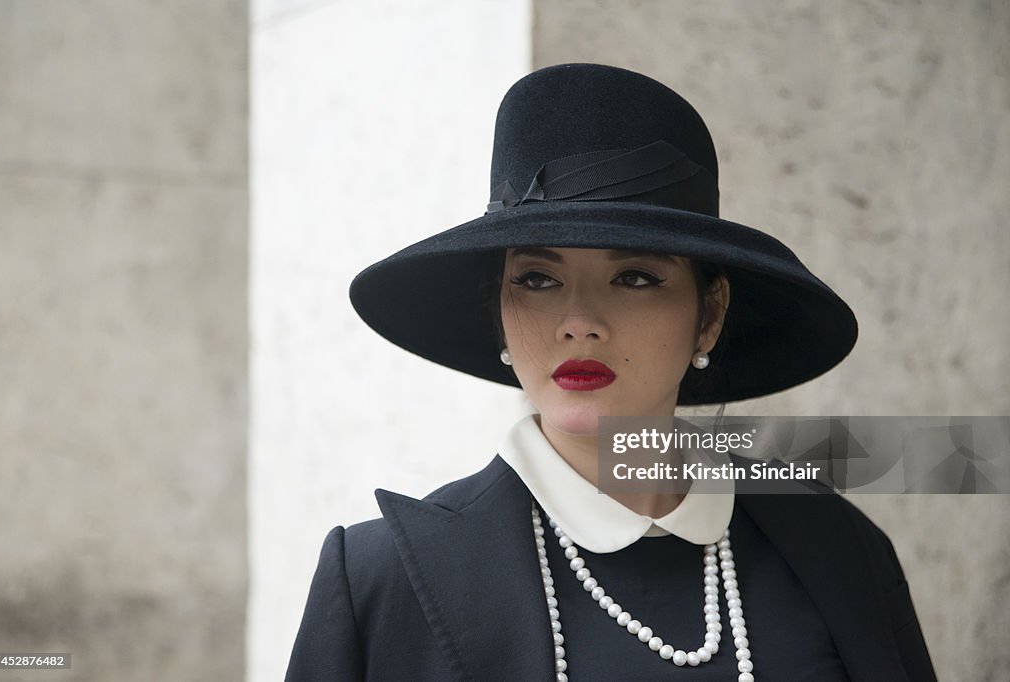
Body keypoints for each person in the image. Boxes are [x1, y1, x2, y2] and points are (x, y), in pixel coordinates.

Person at [285, 63, 936, 681]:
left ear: (708, 314)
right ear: (500, 312)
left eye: (634, 278)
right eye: (537, 279)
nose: (579, 322)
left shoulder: (840, 553)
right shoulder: (381, 578)